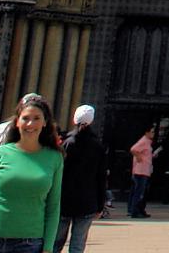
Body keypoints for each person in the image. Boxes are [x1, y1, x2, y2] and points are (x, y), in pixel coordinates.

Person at [0, 92, 66, 253]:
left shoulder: (54, 158)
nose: (30, 123)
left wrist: (48, 248)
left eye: (37, 118)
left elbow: (53, 207)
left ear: (45, 122)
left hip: (29, 243)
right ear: (17, 122)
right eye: (25, 118)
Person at [55, 104, 106, 252]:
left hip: (63, 200)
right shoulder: (97, 146)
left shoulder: (66, 143)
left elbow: (58, 172)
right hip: (87, 201)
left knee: (55, 243)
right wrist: (100, 204)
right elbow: (101, 178)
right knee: (77, 244)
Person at [129, 127, 155, 219]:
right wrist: (138, 156)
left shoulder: (148, 142)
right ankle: (134, 211)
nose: (153, 134)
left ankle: (140, 209)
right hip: (140, 171)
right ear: (147, 132)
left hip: (145, 170)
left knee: (143, 192)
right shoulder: (143, 141)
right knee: (139, 192)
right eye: (151, 132)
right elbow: (133, 149)